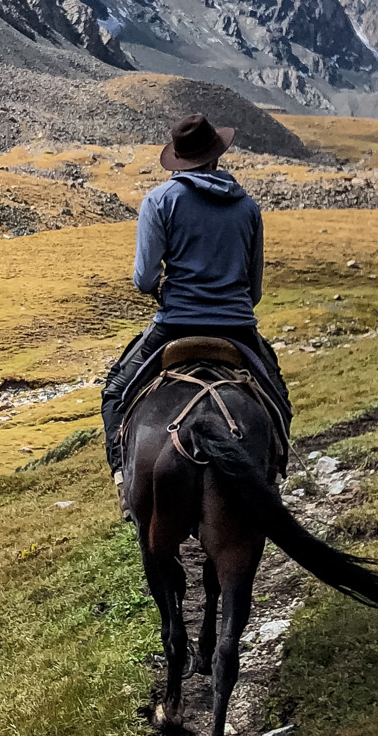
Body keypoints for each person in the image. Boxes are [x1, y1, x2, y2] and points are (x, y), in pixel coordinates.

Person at [101, 112, 290, 479]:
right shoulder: (247, 206)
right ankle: (275, 471)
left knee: (115, 392)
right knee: (278, 396)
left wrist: (162, 288)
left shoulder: (159, 201)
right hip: (237, 328)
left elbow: (143, 279)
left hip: (175, 325)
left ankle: (124, 479)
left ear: (179, 160)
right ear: (216, 155)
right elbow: (254, 289)